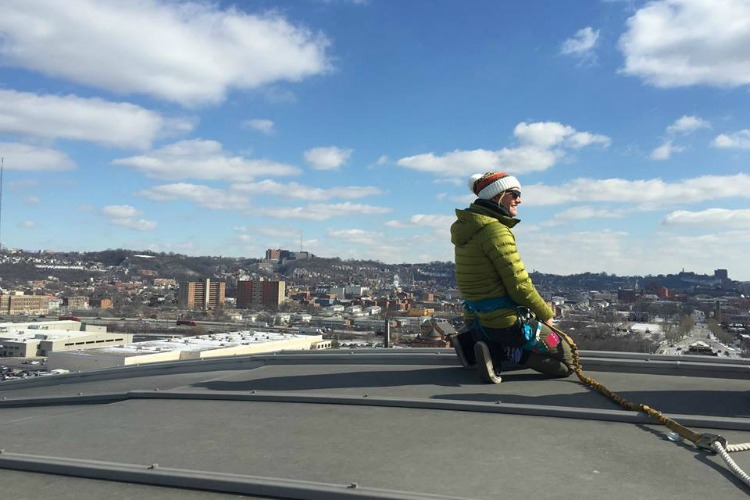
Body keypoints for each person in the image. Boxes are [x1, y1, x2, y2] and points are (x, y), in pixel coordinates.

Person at [450, 171, 574, 383]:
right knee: (567, 361)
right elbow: (519, 284)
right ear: (497, 195)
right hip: (504, 322)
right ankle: (505, 353)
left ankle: (487, 348)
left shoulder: (467, 229)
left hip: (476, 319)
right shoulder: (495, 231)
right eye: (515, 193)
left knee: (507, 337)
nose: (519, 199)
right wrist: (545, 314)